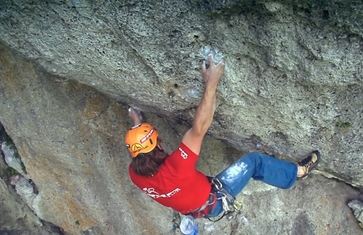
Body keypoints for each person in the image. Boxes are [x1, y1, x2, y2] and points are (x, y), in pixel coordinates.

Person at [125, 54, 320, 220]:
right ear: (158, 146)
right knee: (254, 161)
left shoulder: (135, 174)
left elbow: (141, 151)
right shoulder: (176, 167)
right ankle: (297, 173)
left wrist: (137, 125)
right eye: (158, 141)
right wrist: (211, 83)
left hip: (196, 209)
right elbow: (199, 127)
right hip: (215, 200)